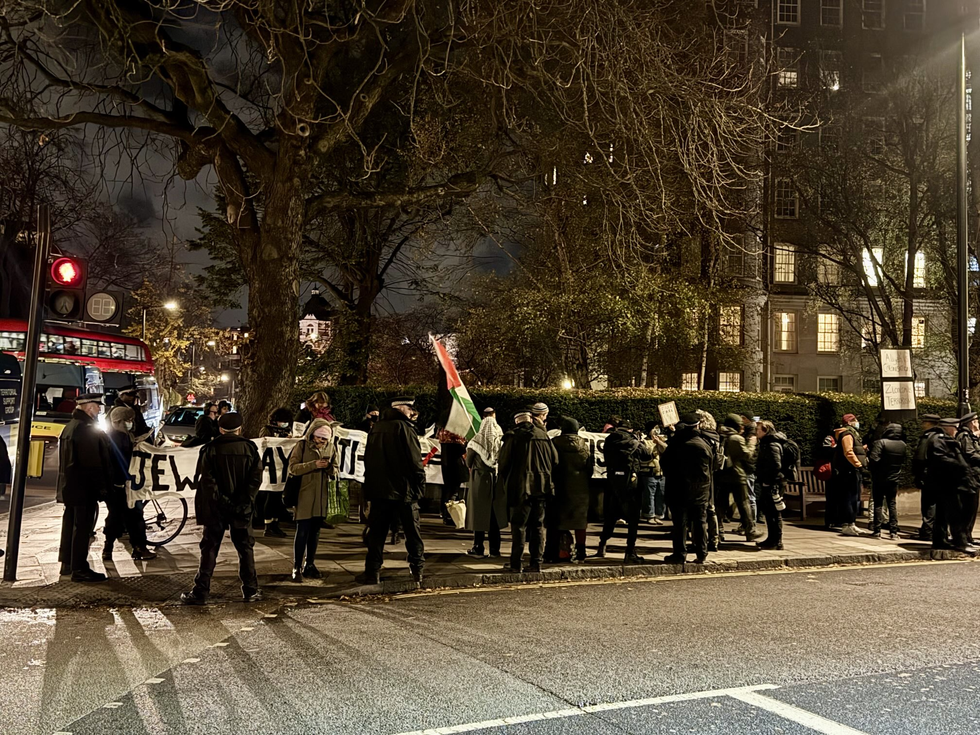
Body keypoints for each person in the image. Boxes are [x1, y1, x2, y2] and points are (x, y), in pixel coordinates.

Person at [181, 412, 264, 604]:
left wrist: (224, 501)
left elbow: (208, 483)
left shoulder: (210, 449)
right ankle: (251, 590)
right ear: (239, 429)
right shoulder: (250, 448)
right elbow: (255, 480)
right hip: (242, 509)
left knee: (209, 547)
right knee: (245, 548)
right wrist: (241, 503)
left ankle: (201, 590)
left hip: (215, 508)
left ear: (220, 429)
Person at [357, 396, 426, 585]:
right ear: (401, 408)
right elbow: (414, 461)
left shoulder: (377, 427)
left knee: (377, 534)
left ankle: (372, 572)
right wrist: (420, 485)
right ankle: (417, 570)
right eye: (410, 408)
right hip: (404, 490)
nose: (412, 412)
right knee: (412, 532)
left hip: (380, 490)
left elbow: (369, 459)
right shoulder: (405, 428)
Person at [57, 393, 111, 582]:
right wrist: (102, 488)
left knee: (70, 525)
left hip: (70, 486)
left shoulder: (70, 427)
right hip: (84, 488)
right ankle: (80, 568)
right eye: (97, 406)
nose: (99, 410)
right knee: (82, 528)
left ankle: (68, 563)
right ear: (89, 407)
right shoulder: (86, 429)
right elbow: (92, 463)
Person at [500, 403, 558, 573]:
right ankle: (536, 562)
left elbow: (503, 464)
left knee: (519, 526)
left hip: (520, 487)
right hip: (542, 487)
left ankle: (516, 563)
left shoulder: (513, 436)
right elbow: (555, 460)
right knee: (538, 526)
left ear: (517, 421)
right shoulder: (544, 436)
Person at [286, 419, 340, 581]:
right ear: (313, 435)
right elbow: (293, 468)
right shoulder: (301, 446)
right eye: (319, 438)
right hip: (304, 494)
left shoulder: (331, 447)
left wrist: (329, 467)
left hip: (322, 495)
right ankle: (296, 565)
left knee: (315, 532)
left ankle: (310, 563)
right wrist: (314, 464)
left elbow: (336, 470)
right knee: (302, 531)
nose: (322, 441)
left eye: (325, 439)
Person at [103, 405, 156, 561]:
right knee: (135, 517)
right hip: (127, 485)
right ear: (119, 421)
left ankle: (108, 548)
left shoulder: (106, 437)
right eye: (129, 420)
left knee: (114, 517)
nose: (131, 423)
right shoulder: (124, 438)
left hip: (112, 486)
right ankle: (139, 548)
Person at [596, 418, 652, 563]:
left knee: (610, 515)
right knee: (633, 518)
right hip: (630, 481)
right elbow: (647, 454)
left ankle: (602, 545)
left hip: (612, 480)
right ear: (630, 430)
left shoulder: (609, 440)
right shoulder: (633, 441)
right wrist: (640, 440)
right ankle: (630, 551)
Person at [661, 412, 713, 564]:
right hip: (701, 489)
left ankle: (679, 554)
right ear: (697, 425)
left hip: (679, 488)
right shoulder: (704, 444)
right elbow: (711, 467)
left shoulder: (676, 444)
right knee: (700, 522)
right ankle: (702, 553)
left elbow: (665, 464)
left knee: (680, 524)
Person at [926, 417, 978, 555]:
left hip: (947, 482)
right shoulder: (939, 439)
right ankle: (960, 543)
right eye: (955, 428)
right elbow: (940, 459)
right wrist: (959, 464)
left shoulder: (942, 439)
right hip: (946, 482)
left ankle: (940, 540)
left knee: (943, 514)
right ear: (948, 427)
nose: (956, 431)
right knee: (955, 515)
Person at [549, 417, 594, 563]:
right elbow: (589, 468)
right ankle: (581, 551)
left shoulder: (555, 443)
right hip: (581, 489)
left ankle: (563, 551)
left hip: (561, 487)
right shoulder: (584, 446)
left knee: (560, 522)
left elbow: (551, 465)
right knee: (580, 523)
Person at [465, 407, 507, 558]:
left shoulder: (475, 442)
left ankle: (478, 547)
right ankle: (495, 549)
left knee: (479, 514)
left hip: (480, 481)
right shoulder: (501, 442)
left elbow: (468, 462)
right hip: (495, 481)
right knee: (494, 516)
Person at [719, 414, 763, 541]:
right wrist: (752, 443)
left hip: (722, 475)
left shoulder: (720, 435)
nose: (743, 429)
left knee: (721, 504)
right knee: (744, 504)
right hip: (737, 475)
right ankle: (750, 530)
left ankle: (718, 531)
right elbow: (747, 455)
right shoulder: (736, 439)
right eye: (741, 426)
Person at [256, 407, 295, 538]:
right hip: (270, 469)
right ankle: (268, 525)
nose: (284, 424)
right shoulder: (267, 430)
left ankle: (275, 523)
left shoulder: (287, 431)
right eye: (281, 421)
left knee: (277, 498)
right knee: (271, 496)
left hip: (281, 469)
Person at [868, 423, 907, 539]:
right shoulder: (902, 445)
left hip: (880, 477)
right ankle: (893, 531)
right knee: (892, 503)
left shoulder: (881, 442)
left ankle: (877, 530)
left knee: (878, 503)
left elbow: (874, 459)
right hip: (894, 478)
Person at [832, 413, 867, 536]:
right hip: (848, 470)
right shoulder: (847, 434)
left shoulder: (852, 434)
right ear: (849, 422)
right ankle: (847, 524)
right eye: (855, 420)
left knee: (854, 497)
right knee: (848, 498)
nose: (857, 422)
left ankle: (851, 523)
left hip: (850, 470)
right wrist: (858, 464)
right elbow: (848, 451)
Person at [754, 420, 788, 550]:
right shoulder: (767, 442)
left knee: (774, 512)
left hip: (773, 483)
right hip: (771, 481)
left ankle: (777, 541)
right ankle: (772, 539)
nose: (756, 432)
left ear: (765, 430)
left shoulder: (772, 444)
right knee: (770, 512)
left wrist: (768, 480)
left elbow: (776, 464)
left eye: (758, 429)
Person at [912, 414, 944, 543]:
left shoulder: (927, 437)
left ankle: (927, 531)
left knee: (928, 504)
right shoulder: (941, 436)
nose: (922, 424)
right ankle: (936, 531)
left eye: (924, 422)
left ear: (929, 423)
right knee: (937, 504)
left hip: (928, 476)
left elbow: (920, 458)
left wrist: (917, 474)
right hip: (939, 476)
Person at [438, 426, 467, 526]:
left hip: (446, 465)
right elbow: (462, 450)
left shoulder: (443, 433)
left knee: (447, 489)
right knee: (453, 491)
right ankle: (450, 514)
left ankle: (444, 512)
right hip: (455, 465)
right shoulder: (456, 436)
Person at [638, 422, 666, 525]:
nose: (656, 430)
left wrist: (659, 442)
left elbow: (666, 450)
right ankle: (649, 515)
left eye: (658, 428)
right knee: (649, 495)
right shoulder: (644, 441)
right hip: (649, 472)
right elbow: (646, 453)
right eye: (654, 428)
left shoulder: (662, 440)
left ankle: (658, 515)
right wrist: (654, 443)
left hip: (661, 472)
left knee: (660, 494)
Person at [958, 412, 980, 544]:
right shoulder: (965, 436)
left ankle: (968, 536)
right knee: (967, 509)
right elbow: (970, 454)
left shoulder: (971, 437)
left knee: (972, 508)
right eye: (977, 421)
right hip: (968, 477)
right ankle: (963, 537)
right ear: (972, 422)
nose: (978, 423)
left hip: (974, 477)